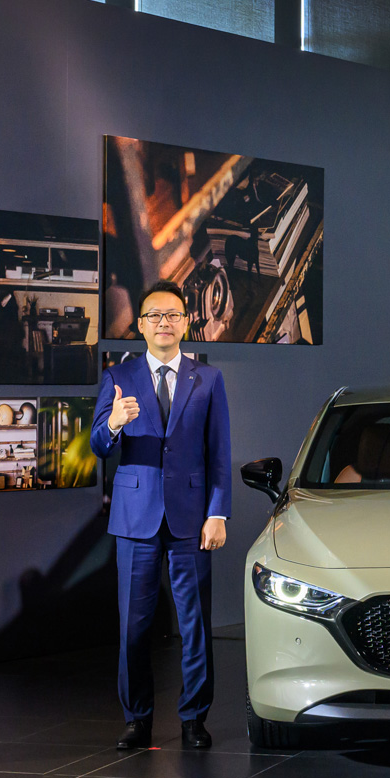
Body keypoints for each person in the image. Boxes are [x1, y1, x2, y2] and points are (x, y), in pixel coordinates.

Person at [92, 280, 231, 750]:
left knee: (195, 625)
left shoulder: (208, 379)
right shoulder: (119, 376)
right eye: (155, 316)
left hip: (191, 519)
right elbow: (98, 444)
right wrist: (114, 423)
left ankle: (194, 718)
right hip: (136, 519)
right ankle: (137, 719)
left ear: (187, 322)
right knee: (133, 626)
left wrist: (218, 513)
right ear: (141, 325)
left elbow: (218, 453)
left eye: (173, 315)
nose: (164, 323)